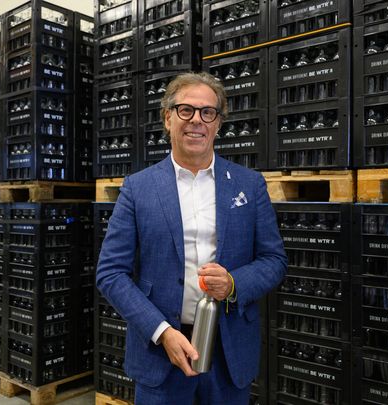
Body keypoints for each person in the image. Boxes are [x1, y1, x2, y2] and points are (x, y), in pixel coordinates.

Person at [95, 71, 287, 404]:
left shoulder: (248, 184)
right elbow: (110, 273)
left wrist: (233, 283)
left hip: (228, 353)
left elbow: (274, 261)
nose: (196, 120)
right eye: (186, 110)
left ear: (218, 123)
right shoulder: (138, 189)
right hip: (161, 353)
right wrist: (161, 331)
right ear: (167, 118)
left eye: (207, 112)